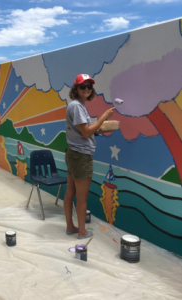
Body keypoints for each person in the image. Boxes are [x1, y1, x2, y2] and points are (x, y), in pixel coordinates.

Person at [64, 74, 115, 239]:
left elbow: (83, 131)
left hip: (73, 153)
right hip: (81, 157)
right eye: (82, 86)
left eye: (89, 86)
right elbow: (86, 133)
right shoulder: (78, 107)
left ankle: (71, 227)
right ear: (76, 89)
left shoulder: (76, 106)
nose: (86, 89)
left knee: (70, 192)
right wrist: (103, 118)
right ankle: (82, 231)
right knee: (82, 197)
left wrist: (99, 130)